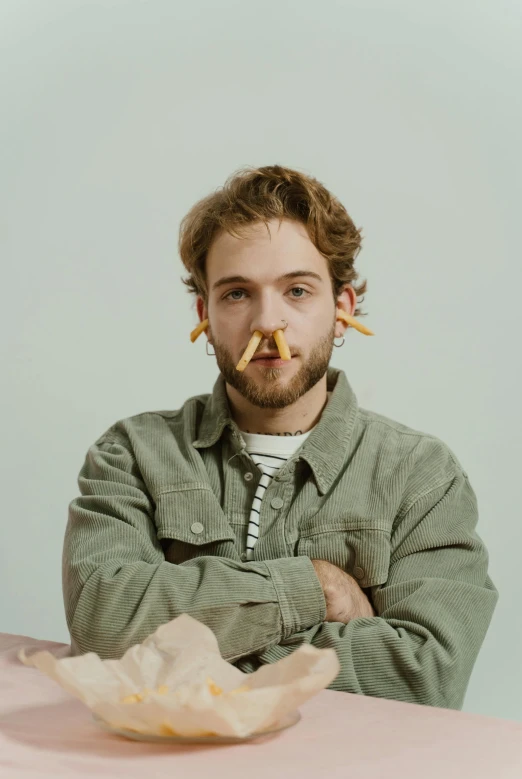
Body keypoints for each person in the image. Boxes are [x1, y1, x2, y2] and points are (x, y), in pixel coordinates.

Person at [62, 164, 498, 709]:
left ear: (343, 310)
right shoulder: (130, 454)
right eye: (237, 294)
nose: (269, 322)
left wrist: (189, 648)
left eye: (296, 289)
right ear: (205, 315)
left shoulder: (421, 475)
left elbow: (424, 675)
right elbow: (103, 625)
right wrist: (314, 586)